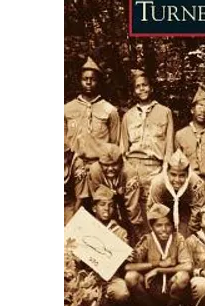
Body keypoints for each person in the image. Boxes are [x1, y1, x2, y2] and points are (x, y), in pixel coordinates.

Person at [63, 57, 121, 210]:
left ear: (99, 82)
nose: (88, 82)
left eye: (93, 79)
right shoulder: (67, 109)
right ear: (79, 81)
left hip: (100, 169)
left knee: (101, 211)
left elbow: (114, 145)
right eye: (85, 79)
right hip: (73, 169)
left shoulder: (110, 110)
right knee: (75, 211)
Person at [124, 204, 193, 306]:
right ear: (152, 227)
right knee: (131, 277)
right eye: (159, 225)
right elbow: (128, 267)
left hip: (171, 286)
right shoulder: (147, 240)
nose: (164, 229)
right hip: (151, 286)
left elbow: (188, 266)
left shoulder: (177, 238)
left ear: (172, 225)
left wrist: (159, 270)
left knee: (183, 276)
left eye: (168, 225)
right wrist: (157, 264)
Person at [121, 71, 175, 211]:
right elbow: (123, 148)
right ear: (134, 91)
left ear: (151, 88)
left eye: (144, 85)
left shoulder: (165, 112)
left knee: (154, 210)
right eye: (137, 86)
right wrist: (127, 171)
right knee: (133, 209)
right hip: (132, 167)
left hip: (155, 168)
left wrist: (164, 171)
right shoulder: (128, 116)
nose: (141, 89)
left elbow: (169, 146)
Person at [87, 143, 144, 243]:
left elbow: (132, 208)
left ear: (121, 162)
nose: (110, 169)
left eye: (114, 165)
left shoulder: (130, 172)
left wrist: (137, 236)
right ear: (100, 164)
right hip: (108, 203)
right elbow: (97, 199)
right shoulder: (95, 170)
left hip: (128, 201)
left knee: (133, 230)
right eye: (106, 165)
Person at [175, 86, 205, 205]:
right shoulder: (181, 134)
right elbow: (177, 166)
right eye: (200, 106)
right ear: (192, 110)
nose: (203, 111)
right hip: (189, 187)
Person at [147, 149, 205, 238]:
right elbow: (154, 210)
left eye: (182, 175)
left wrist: (190, 234)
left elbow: (197, 212)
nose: (177, 180)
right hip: (165, 211)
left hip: (186, 212)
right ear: (167, 172)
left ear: (188, 174)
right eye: (173, 174)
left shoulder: (196, 184)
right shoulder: (158, 183)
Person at [90, 185, 132, 306]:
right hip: (87, 275)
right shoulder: (85, 227)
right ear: (94, 208)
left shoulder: (120, 232)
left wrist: (126, 256)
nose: (107, 209)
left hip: (110, 277)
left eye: (111, 205)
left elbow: (121, 261)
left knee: (122, 292)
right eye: (102, 204)